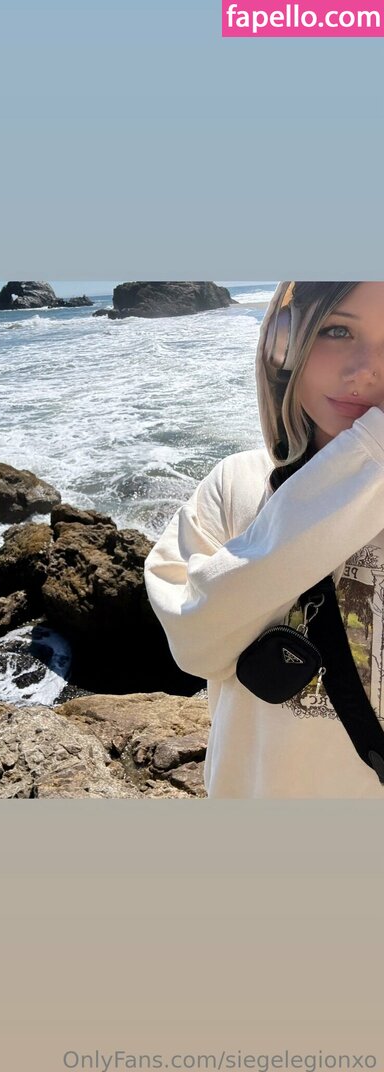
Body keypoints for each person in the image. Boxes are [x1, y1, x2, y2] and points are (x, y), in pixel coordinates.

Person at [143, 281, 384, 798]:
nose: (366, 369)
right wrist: (371, 459)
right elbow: (194, 643)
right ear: (283, 343)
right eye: (336, 330)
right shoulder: (236, 484)